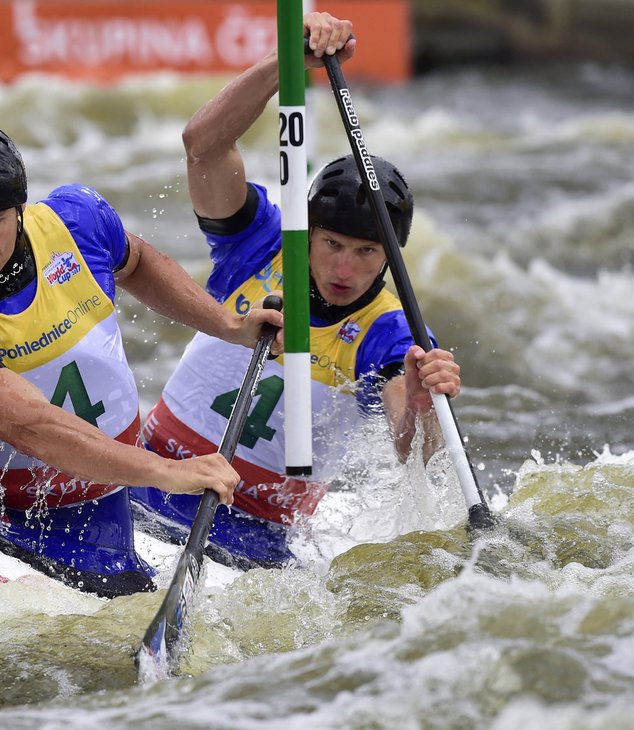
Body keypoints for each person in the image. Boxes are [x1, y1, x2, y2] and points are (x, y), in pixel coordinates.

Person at [0, 119, 283, 592]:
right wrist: (165, 472)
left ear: (19, 210)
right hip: (10, 513)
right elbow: (30, 425)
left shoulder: (77, 221)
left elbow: (137, 264)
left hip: (117, 490)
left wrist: (228, 325)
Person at [132, 13, 463, 567]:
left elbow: (416, 458)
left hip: (260, 536)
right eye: (332, 244)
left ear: (391, 257)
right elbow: (202, 147)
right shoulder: (261, 241)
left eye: (367, 253)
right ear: (308, 232)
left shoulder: (392, 330)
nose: (345, 268)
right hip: (150, 481)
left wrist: (426, 407)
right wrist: (283, 65)